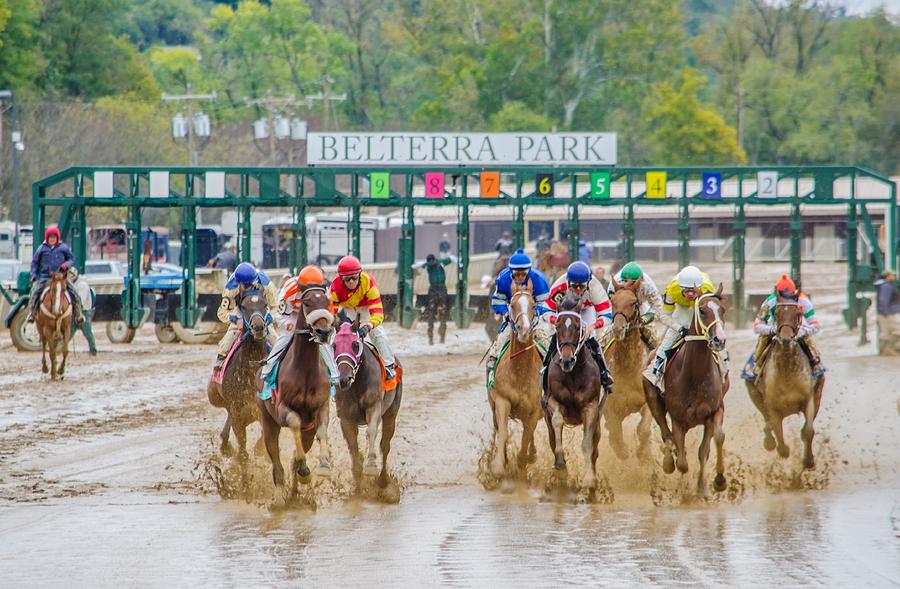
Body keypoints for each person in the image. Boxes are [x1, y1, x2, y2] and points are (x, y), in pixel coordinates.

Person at [260, 265, 339, 398]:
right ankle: (267, 374)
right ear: (301, 287)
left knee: (324, 342)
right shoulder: (289, 289)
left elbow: (329, 311)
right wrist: (289, 325)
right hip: (292, 315)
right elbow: (278, 313)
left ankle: (334, 376)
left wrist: (326, 324)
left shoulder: (324, 290)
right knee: (284, 339)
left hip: (314, 315)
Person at [540, 261, 614, 397]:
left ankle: (604, 373)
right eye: (574, 286)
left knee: (591, 338)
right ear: (568, 283)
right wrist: (557, 322)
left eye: (582, 286)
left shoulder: (595, 287)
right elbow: (545, 311)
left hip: (586, 311)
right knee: (560, 336)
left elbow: (607, 315)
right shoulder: (560, 286)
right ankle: (545, 369)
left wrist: (592, 327)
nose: (579, 290)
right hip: (565, 312)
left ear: (588, 283)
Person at [643, 265, 722, 387]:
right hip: (682, 309)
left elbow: (713, 312)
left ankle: (724, 366)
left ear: (699, 287)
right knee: (668, 340)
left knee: (717, 337)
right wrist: (679, 328)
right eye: (686, 290)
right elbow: (664, 316)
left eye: (693, 290)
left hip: (701, 306)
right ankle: (655, 370)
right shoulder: (672, 289)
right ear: (680, 288)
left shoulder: (708, 288)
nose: (690, 294)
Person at [741, 274, 824, 380]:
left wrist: (803, 331)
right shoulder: (770, 302)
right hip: (774, 331)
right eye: (783, 298)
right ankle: (753, 368)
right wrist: (772, 330)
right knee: (762, 341)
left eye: (789, 298)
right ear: (777, 294)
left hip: (797, 330)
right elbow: (757, 325)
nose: (786, 301)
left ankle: (817, 367)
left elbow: (816, 325)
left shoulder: (803, 301)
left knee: (809, 342)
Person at [486, 249, 552, 373]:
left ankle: (551, 361)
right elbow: (497, 301)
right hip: (513, 314)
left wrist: (533, 314)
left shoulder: (538, 279)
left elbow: (545, 304)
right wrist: (506, 313)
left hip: (535, 316)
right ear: (511, 271)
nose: (521, 277)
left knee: (546, 339)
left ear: (529, 271)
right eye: (517, 274)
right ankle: (493, 357)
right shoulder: (503, 279)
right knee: (503, 334)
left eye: (524, 273)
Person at [331, 255, 397, 379]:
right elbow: (332, 312)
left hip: (365, 309)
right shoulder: (335, 287)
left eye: (355, 277)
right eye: (347, 278)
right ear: (341, 279)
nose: (351, 281)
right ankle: (330, 368)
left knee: (378, 334)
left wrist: (368, 326)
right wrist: (335, 324)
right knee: (333, 337)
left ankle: (389, 366)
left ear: (360, 275)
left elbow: (377, 313)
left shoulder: (369, 282)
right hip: (347, 309)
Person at [214, 262, 278, 371]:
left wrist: (269, 318)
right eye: (245, 286)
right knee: (228, 340)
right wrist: (235, 320)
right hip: (241, 309)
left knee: (276, 341)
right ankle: (220, 361)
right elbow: (221, 312)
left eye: (250, 285)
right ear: (239, 283)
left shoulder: (267, 285)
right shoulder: (231, 288)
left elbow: (276, 307)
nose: (248, 288)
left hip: (261, 309)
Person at [27, 226, 84, 326]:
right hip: (46, 277)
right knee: (34, 292)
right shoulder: (41, 248)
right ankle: (31, 313)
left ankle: (78, 313)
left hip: (61, 277)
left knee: (74, 292)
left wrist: (66, 265)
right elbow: (34, 263)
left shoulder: (63, 248)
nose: (52, 239)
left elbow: (72, 259)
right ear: (47, 238)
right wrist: (33, 275)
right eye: (50, 237)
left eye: (54, 237)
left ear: (57, 238)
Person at [606, 261, 663, 348]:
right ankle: (600, 353)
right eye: (624, 281)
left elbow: (658, 306)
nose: (626, 284)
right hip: (620, 307)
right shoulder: (614, 284)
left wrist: (645, 318)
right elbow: (612, 304)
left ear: (640, 281)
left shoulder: (648, 285)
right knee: (606, 333)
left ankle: (658, 356)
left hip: (641, 306)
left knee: (653, 335)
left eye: (632, 283)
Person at [412, 253, 455, 345]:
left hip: (442, 288)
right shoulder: (428, 265)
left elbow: (451, 258)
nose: (431, 264)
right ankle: (431, 337)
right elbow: (416, 266)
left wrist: (460, 263)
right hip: (433, 289)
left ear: (434, 260)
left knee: (443, 313)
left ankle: (442, 336)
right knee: (431, 313)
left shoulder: (441, 262)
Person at [68, 266, 97, 356]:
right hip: (76, 312)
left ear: (74, 276)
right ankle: (61, 347)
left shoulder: (82, 285)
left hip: (84, 312)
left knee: (87, 332)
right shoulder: (72, 285)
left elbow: (81, 300)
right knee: (70, 331)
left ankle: (93, 350)